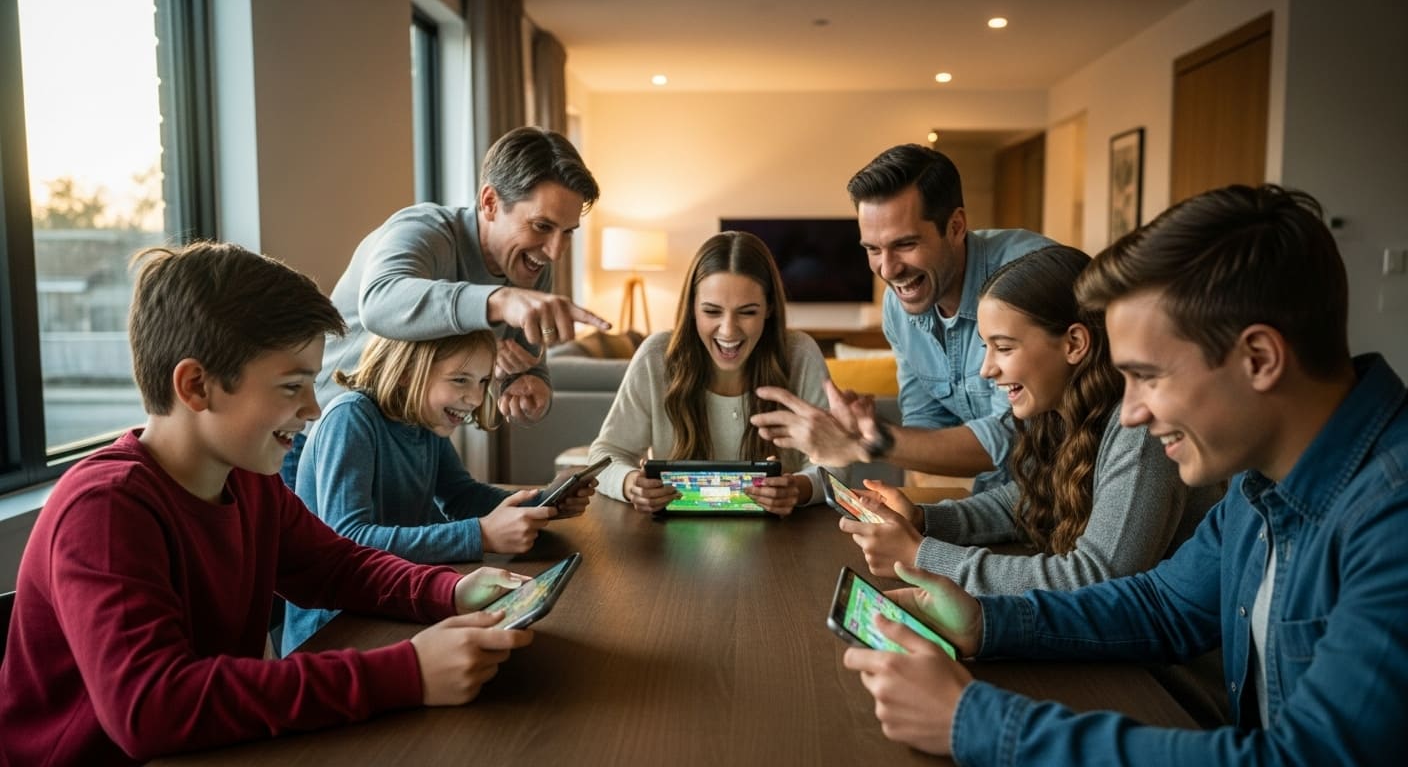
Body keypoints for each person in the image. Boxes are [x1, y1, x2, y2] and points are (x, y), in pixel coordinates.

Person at [840, 184, 1408, 764]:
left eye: (1148, 376)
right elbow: (1163, 605)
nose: (1131, 411)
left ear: (1259, 359)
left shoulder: (1392, 515)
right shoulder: (1258, 483)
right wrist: (985, 622)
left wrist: (978, 722)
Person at [0, 242, 536, 766]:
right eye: (291, 386)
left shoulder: (249, 479)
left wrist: (454, 589)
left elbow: (336, 567)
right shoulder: (107, 509)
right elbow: (151, 708)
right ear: (196, 386)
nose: (311, 408)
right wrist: (407, 673)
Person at [842, 245, 1216, 593]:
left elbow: (1096, 576)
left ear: (1073, 344)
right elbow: (1024, 502)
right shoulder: (1063, 410)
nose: (987, 369)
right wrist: (923, 521)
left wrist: (921, 557)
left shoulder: (1139, 429)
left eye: (1003, 348)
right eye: (986, 347)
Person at [283, 126, 609, 486]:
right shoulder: (423, 230)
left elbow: (526, 365)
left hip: (412, 442)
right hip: (320, 439)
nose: (555, 251)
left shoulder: (530, 267)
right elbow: (379, 301)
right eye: (542, 226)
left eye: (568, 232)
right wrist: (498, 300)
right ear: (489, 202)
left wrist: (532, 391)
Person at [753, 144, 1056, 493]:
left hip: (1075, 502)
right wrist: (865, 427)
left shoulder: (1024, 277)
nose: (887, 268)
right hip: (1005, 498)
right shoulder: (899, 308)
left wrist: (869, 442)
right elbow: (926, 423)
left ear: (956, 226)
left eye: (905, 244)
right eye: (872, 249)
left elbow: (1016, 437)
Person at [281, 329, 594, 654]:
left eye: (484, 382)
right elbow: (349, 540)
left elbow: (461, 495)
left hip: (394, 602)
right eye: (460, 380)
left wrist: (546, 501)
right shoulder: (351, 418)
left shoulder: (423, 420)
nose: (475, 398)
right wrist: (480, 535)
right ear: (405, 374)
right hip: (334, 631)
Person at [588, 231, 841, 515]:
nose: (728, 330)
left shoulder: (800, 354)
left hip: (783, 540)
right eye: (712, 311)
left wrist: (798, 489)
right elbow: (604, 455)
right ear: (692, 307)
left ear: (769, 308)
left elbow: (837, 464)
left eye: (747, 312)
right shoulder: (656, 356)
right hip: (673, 540)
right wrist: (630, 483)